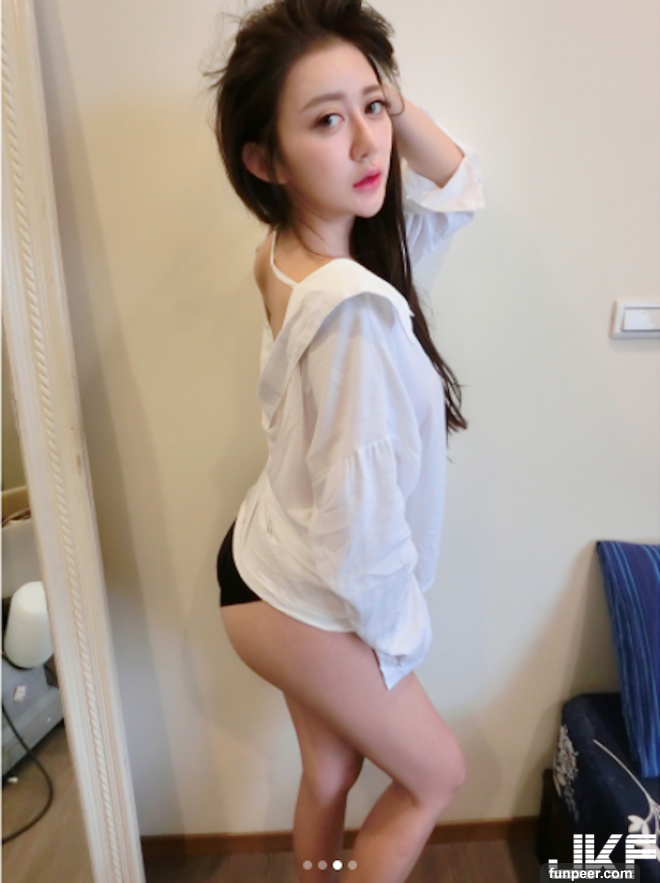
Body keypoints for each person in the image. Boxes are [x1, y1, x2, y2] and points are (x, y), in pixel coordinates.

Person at [207, 0, 484, 880]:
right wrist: (396, 646)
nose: (370, 144)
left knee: (331, 770)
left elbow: (458, 183)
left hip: (266, 556)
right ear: (265, 160)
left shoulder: (292, 251)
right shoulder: (354, 312)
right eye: (327, 121)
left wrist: (378, 99)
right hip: (302, 590)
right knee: (436, 774)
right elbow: (359, 530)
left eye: (374, 108)